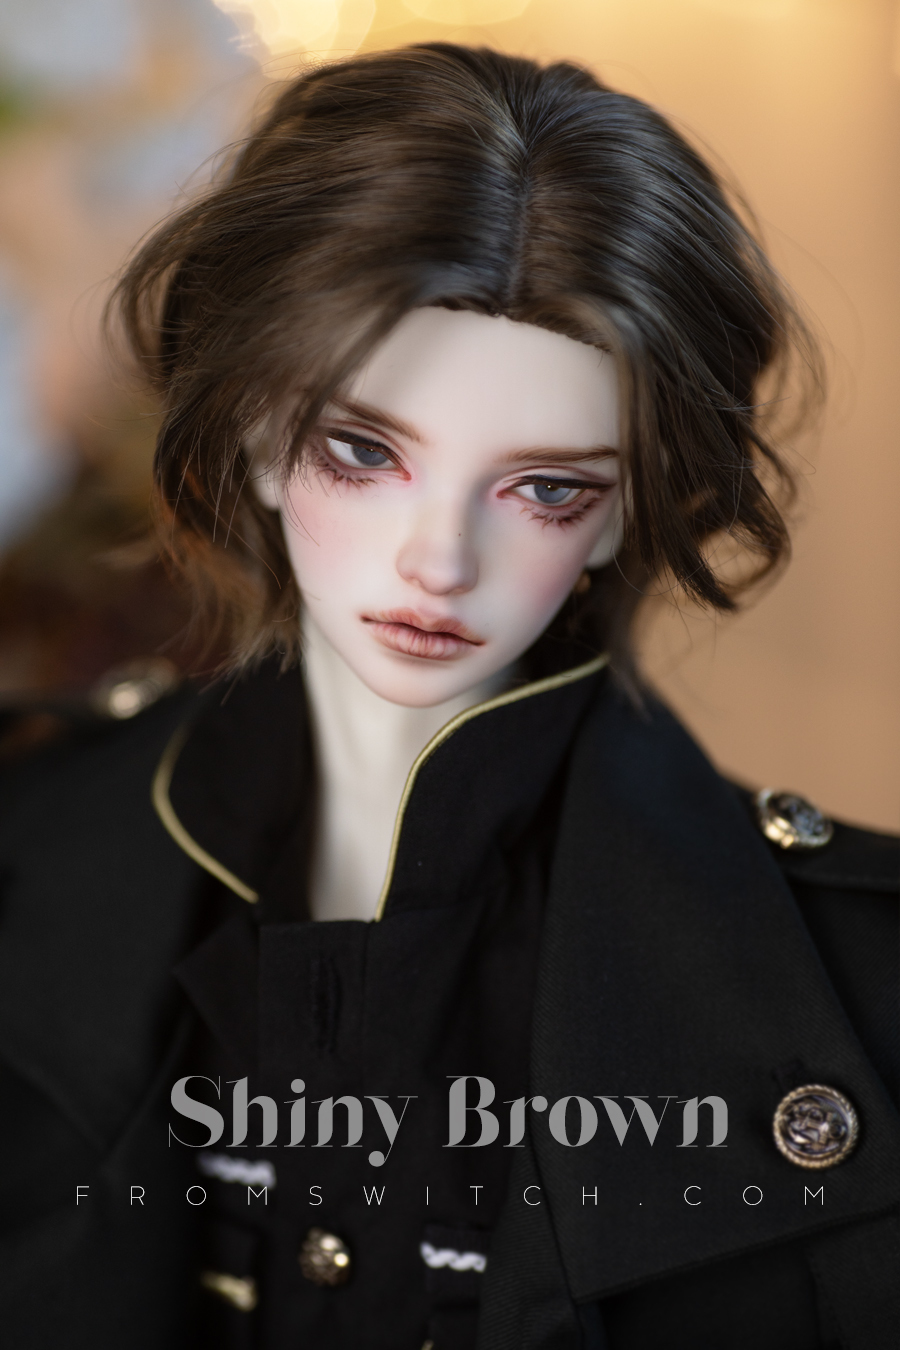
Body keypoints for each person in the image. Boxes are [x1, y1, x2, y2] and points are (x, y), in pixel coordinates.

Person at [0, 42, 896, 1350]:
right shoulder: (29, 842)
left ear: (627, 513)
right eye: (363, 451)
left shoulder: (861, 987)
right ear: (255, 433)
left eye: (547, 487)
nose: (440, 562)